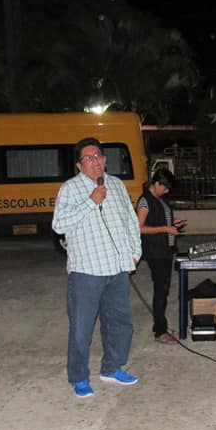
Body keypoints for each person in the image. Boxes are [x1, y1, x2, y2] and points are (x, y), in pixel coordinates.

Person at [52, 137, 143, 399]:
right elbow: (59, 224)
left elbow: (130, 221)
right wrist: (91, 201)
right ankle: (79, 377)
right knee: (81, 328)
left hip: (117, 269)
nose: (95, 162)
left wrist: (134, 253)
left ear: (104, 160)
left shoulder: (116, 184)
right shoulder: (70, 189)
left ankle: (112, 368)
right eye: (88, 158)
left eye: (98, 157)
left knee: (120, 323)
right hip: (87, 272)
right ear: (79, 165)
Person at [136, 168, 185, 344]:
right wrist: (165, 228)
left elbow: (159, 219)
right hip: (155, 251)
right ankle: (160, 331)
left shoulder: (159, 198)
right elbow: (139, 228)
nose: (166, 191)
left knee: (163, 290)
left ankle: (161, 325)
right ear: (156, 183)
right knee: (160, 291)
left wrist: (172, 223)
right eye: (164, 188)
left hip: (165, 250)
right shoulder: (144, 201)